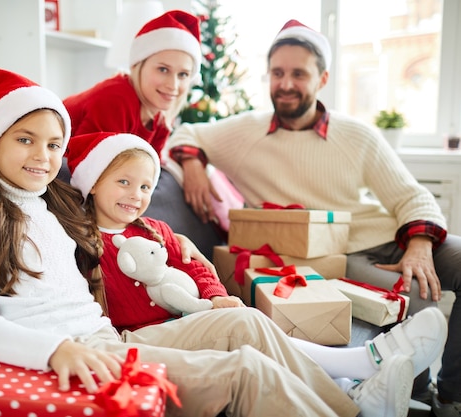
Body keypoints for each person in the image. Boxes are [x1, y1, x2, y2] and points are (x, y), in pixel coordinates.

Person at [0, 67, 420, 417]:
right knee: (245, 371)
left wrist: (182, 247)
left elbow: (120, 224)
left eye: (53, 145)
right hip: (77, 353)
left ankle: (353, 404)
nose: (43, 156)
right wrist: (54, 352)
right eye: (25, 140)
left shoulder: (55, 205)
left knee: (247, 325)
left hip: (112, 337)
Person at [166, 18, 461, 415]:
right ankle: (422, 397)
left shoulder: (356, 135)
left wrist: (421, 245)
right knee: (416, 296)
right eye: (278, 73)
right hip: (339, 257)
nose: (286, 84)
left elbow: (411, 196)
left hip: (391, 235)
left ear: (322, 79)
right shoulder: (245, 132)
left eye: (298, 73)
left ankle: (453, 392)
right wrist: (196, 167)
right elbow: (186, 134)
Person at [63, 9, 243, 234]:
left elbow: (148, 174)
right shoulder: (117, 98)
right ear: (138, 65)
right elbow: (89, 173)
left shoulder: (159, 118)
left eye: (183, 75)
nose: (173, 85)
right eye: (163, 69)